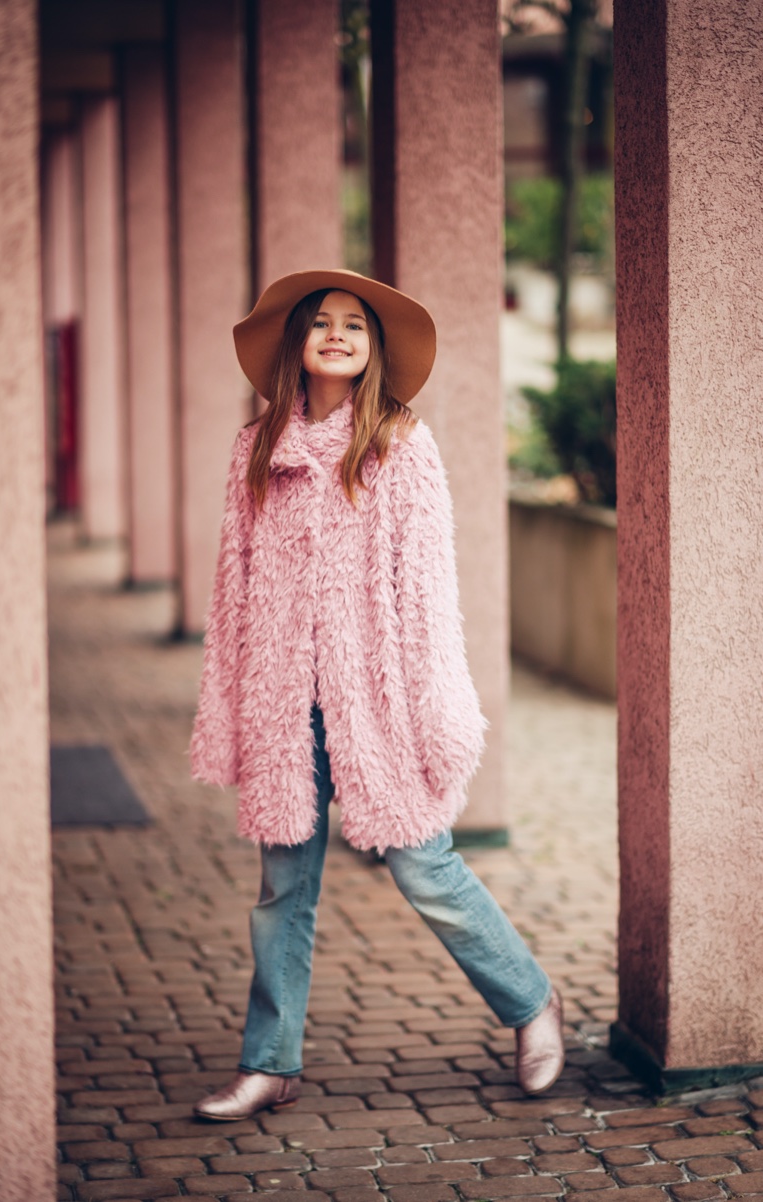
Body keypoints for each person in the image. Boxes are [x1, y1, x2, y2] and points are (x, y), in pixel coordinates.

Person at [190, 269, 564, 1121]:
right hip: (285, 705)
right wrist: (232, 704)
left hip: (377, 701)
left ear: (372, 348)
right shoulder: (258, 448)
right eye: (318, 322)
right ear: (296, 345)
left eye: (352, 324)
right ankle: (268, 1061)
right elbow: (231, 588)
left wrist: (437, 707)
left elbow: (428, 588)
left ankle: (530, 1001)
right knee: (282, 885)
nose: (335, 333)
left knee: (423, 866)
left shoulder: (399, 445)